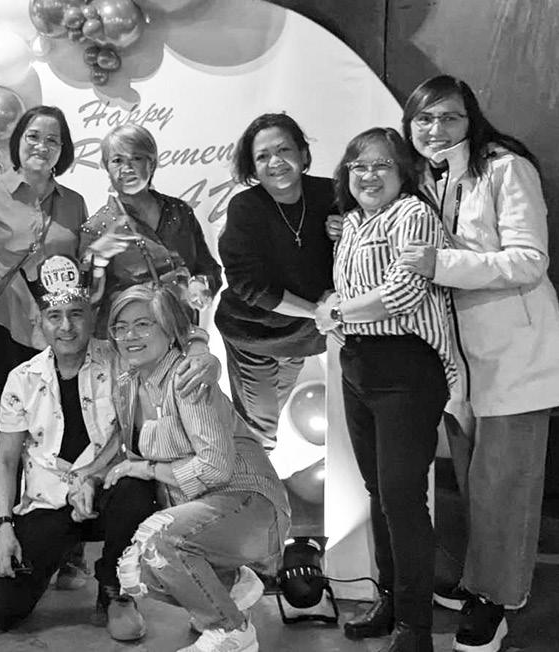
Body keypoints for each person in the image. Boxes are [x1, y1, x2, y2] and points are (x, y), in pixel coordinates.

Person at [396, 75, 559, 652]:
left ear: (471, 120)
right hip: (454, 361)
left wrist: (441, 263)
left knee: (504, 488)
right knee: (472, 484)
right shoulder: (419, 178)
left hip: (515, 354)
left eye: (449, 117)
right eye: (424, 118)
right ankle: (478, 581)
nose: (435, 129)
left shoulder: (504, 169)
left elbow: (529, 259)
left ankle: (496, 602)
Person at [0, 256, 222, 639]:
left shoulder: (122, 359)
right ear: (39, 321)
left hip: (110, 493)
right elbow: (6, 459)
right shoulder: (21, 379)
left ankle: (115, 590)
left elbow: (175, 332)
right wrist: (4, 529)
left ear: (93, 316)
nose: (66, 326)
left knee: (136, 490)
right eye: (54, 316)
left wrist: (203, 355)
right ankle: (62, 556)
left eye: (76, 314)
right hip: (47, 502)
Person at [314, 127, 456, 652]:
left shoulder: (414, 215)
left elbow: (403, 292)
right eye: (359, 166)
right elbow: (350, 290)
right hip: (358, 364)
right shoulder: (351, 222)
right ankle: (391, 602)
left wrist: (335, 312)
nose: (368, 175)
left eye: (381, 165)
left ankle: (416, 628)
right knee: (379, 492)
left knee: (403, 497)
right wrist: (337, 310)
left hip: (407, 369)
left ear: (404, 172)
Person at [104, 284, 290, 652]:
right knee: (137, 567)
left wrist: (147, 469)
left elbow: (216, 468)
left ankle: (230, 630)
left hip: (249, 504)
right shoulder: (128, 384)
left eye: (143, 324)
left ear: (170, 330)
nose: (130, 336)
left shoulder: (188, 379)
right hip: (203, 510)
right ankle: (228, 586)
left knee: (158, 541)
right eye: (120, 327)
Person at [0, 105, 92, 587]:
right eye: (34, 136)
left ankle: (69, 544)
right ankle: (10, 533)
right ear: (18, 141)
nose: (41, 146)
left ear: (63, 150)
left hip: (63, 335)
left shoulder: (74, 203)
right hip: (8, 329)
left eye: (52, 140)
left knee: (69, 430)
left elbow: (81, 270)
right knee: (14, 432)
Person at [214, 113, 337, 450]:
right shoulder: (245, 208)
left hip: (303, 337)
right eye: (263, 156)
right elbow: (250, 287)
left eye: (284, 150)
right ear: (252, 167)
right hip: (253, 335)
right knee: (261, 428)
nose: (275, 162)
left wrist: (347, 227)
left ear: (303, 153)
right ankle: (252, 479)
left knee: (272, 414)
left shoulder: (330, 193)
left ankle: (253, 467)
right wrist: (317, 311)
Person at [78, 124, 222, 335]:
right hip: (129, 340)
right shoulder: (97, 227)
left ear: (152, 163)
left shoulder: (180, 211)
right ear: (106, 167)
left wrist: (201, 283)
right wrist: (97, 259)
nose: (127, 168)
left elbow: (208, 267)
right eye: (117, 160)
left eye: (136, 158)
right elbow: (84, 301)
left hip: (181, 332)